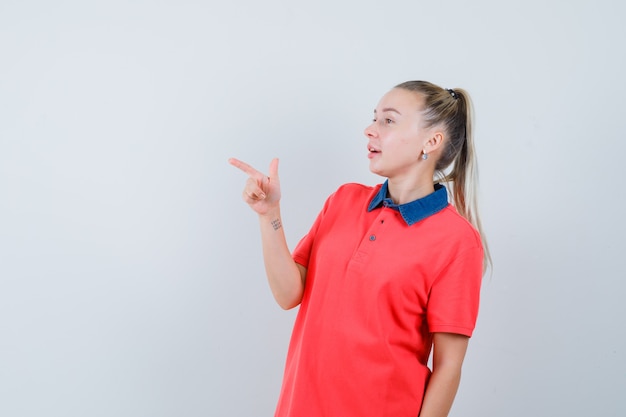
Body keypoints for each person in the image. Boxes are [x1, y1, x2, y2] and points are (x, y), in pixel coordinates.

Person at [229, 80, 491, 417]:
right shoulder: (344, 201)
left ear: (432, 141)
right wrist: (269, 216)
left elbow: (448, 367)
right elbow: (288, 294)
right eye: (374, 119)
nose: (370, 130)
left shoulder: (456, 241)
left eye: (389, 121)